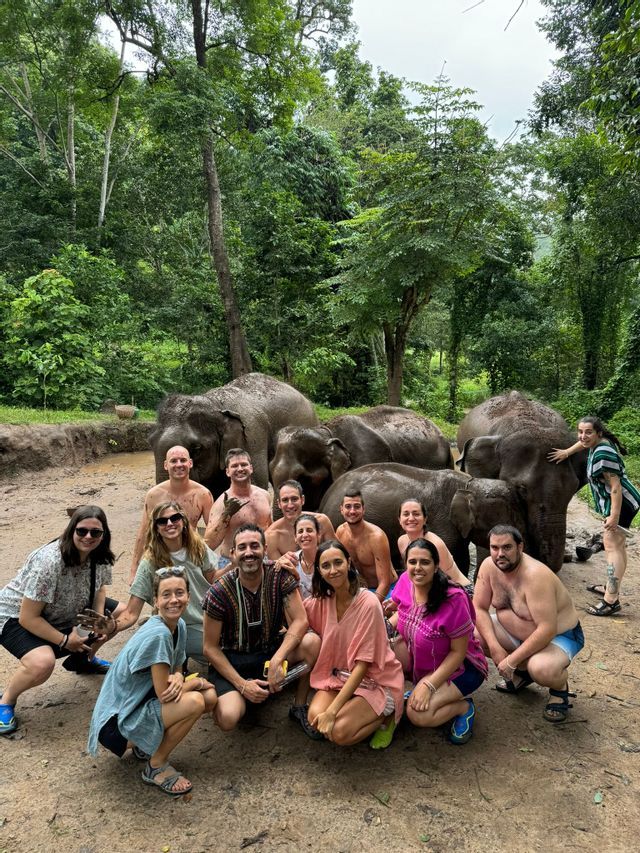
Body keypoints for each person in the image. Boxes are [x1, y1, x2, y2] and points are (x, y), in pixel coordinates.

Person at [88, 567, 217, 797]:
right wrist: (196, 683)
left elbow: (178, 665)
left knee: (209, 698)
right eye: (166, 595)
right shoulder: (158, 634)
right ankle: (156, 766)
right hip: (115, 723)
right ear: (155, 601)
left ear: (189, 596)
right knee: (197, 700)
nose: (174, 600)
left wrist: (179, 676)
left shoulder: (180, 626)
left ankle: (142, 745)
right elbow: (164, 694)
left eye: (179, 593)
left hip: (136, 705)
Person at [0, 506, 121, 736]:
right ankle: (6, 700)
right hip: (16, 615)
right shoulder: (50, 562)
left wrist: (96, 620)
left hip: (64, 605)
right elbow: (28, 617)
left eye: (95, 533)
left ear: (103, 534)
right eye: (82, 531)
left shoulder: (100, 554)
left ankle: (83, 660)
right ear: (71, 529)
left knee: (120, 615)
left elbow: (100, 588)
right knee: (42, 663)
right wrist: (65, 640)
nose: (88, 537)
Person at [202, 524, 321, 738]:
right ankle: (241, 693)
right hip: (233, 660)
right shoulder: (218, 592)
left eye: (255, 546)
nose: (249, 552)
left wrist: (277, 659)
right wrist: (241, 685)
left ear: (265, 549)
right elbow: (209, 648)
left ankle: (299, 705)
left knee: (312, 642)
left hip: (270, 651)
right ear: (233, 554)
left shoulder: (279, 576)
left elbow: (301, 621)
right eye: (242, 547)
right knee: (228, 718)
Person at [83, 502, 225, 669]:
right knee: (222, 649)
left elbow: (212, 578)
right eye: (162, 521)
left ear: (183, 521)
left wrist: (235, 564)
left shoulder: (198, 547)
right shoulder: (150, 563)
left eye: (175, 518)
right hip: (181, 625)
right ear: (155, 528)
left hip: (208, 617)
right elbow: (131, 612)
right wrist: (114, 625)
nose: (170, 524)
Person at [474, 525, 584, 723]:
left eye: (507, 547)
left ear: (520, 547)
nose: (500, 554)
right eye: (494, 548)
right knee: (474, 636)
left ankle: (560, 690)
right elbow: (479, 609)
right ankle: (523, 674)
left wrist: (510, 660)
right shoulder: (488, 567)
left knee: (542, 669)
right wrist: (495, 648)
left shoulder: (535, 575)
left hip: (559, 636)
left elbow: (546, 629)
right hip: (516, 631)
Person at [304, 540, 404, 749]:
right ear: (319, 571)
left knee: (339, 732)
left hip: (374, 680)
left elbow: (363, 664)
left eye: (338, 562)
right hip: (340, 677)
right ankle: (354, 709)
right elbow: (297, 617)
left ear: (349, 563)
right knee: (315, 719)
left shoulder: (368, 602)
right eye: (326, 566)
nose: (333, 570)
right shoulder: (323, 600)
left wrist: (332, 712)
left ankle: (388, 716)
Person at [389, 539, 487, 744]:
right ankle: (418, 686)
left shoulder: (454, 599)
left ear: (436, 566)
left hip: (460, 667)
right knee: (386, 650)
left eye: (424, 562)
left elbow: (458, 653)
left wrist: (429, 686)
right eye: (412, 562)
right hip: (423, 656)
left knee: (417, 715)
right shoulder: (406, 580)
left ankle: (464, 707)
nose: (417, 568)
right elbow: (401, 610)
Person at [549, 416, 640, 616]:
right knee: (617, 547)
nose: (583, 436)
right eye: (580, 431)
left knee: (612, 548)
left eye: (588, 432)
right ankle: (611, 588)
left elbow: (615, 487)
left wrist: (614, 516)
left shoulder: (603, 454)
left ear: (598, 433)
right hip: (623, 503)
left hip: (621, 505)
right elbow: (583, 444)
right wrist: (567, 452)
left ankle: (611, 600)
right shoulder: (598, 444)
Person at [129, 446, 213, 583]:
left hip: (190, 554)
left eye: (183, 460)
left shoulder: (203, 494)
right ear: (166, 465)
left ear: (190, 463)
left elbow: (212, 531)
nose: (179, 464)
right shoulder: (154, 495)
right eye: (173, 461)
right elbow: (143, 533)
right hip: (161, 554)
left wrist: (206, 561)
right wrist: (134, 570)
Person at [204, 450, 272, 570]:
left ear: (251, 468)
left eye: (244, 464)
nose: (240, 469)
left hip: (262, 560)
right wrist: (226, 515)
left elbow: (270, 530)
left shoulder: (264, 495)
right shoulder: (221, 503)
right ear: (227, 472)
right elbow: (209, 544)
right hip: (232, 563)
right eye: (234, 466)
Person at [397, 498, 474, 594]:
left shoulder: (435, 544)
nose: (411, 518)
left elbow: (444, 580)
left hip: (458, 590)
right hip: (428, 589)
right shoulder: (402, 541)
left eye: (416, 514)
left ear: (425, 519)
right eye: (406, 514)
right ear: (400, 520)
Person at [335, 490, 395, 601]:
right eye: (348, 506)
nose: (352, 511)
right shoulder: (340, 532)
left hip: (387, 590)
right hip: (362, 590)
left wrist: (371, 607)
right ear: (341, 509)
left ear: (363, 509)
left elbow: (384, 582)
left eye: (357, 507)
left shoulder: (377, 537)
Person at [265, 480, 335, 560]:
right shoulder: (271, 536)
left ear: (302, 500)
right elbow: (278, 571)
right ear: (279, 504)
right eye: (285, 500)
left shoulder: (322, 521)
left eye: (294, 499)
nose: (290, 505)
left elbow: (337, 553)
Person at [293, 513, 322, 600]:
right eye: (300, 531)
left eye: (309, 530)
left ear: (318, 535)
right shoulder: (291, 560)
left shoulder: (327, 558)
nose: (305, 535)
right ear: (295, 537)